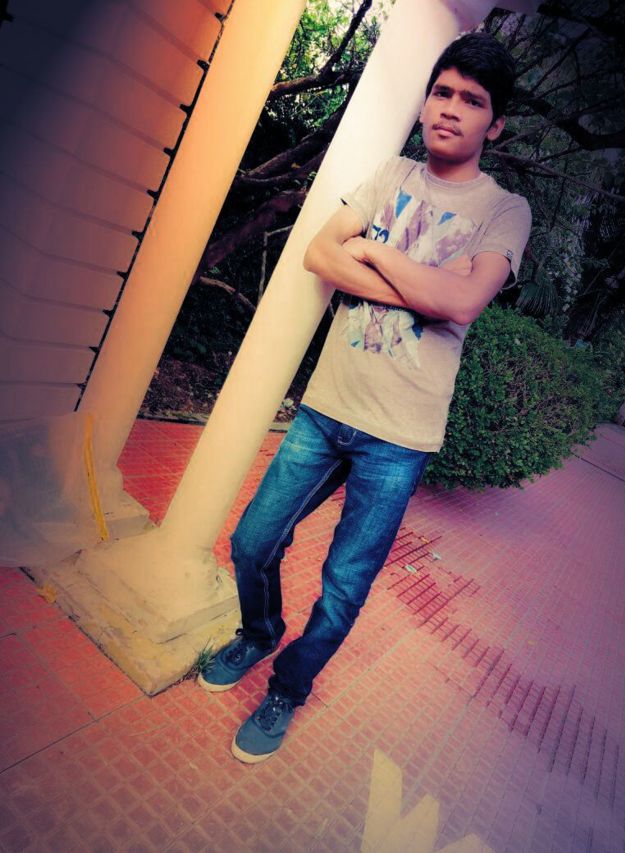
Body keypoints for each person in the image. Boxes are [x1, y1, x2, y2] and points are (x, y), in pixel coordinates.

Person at [198, 31, 532, 763]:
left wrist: (376, 250)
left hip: (400, 439)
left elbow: (464, 302)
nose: (449, 109)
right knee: (252, 541)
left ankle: (289, 687)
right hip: (326, 410)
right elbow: (319, 253)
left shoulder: (505, 211)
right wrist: (425, 285)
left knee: (344, 586)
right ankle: (259, 631)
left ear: (495, 123)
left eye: (471, 100)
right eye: (441, 92)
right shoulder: (390, 173)